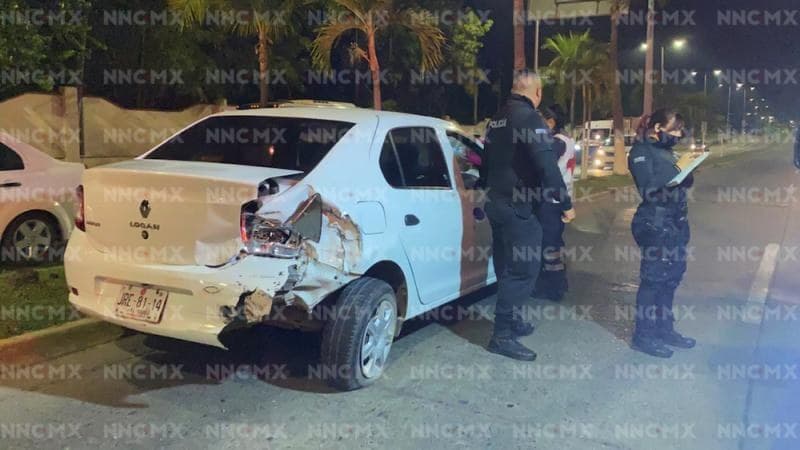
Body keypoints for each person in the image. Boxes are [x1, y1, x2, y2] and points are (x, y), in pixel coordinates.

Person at [480, 71, 576, 361]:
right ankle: (502, 336)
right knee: (523, 270)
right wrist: (565, 202)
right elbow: (547, 164)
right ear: (537, 92)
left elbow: (485, 162)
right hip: (519, 207)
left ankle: (512, 320)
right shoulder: (529, 117)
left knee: (505, 265)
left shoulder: (497, 119)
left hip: (496, 203)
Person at [628, 108, 696, 358]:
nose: (678, 134)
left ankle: (664, 329)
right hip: (654, 223)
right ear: (657, 128)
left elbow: (680, 181)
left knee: (671, 278)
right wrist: (677, 171)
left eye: (680, 130)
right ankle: (644, 336)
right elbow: (648, 188)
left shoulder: (667, 152)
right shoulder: (641, 152)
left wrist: (687, 170)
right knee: (653, 280)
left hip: (675, 223)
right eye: (674, 129)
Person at [533, 106, 576, 301]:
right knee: (552, 244)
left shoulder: (557, 142)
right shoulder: (565, 140)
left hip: (551, 200)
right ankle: (556, 283)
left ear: (551, 122)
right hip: (557, 199)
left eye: (540, 120)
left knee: (550, 245)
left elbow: (544, 166)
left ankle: (553, 288)